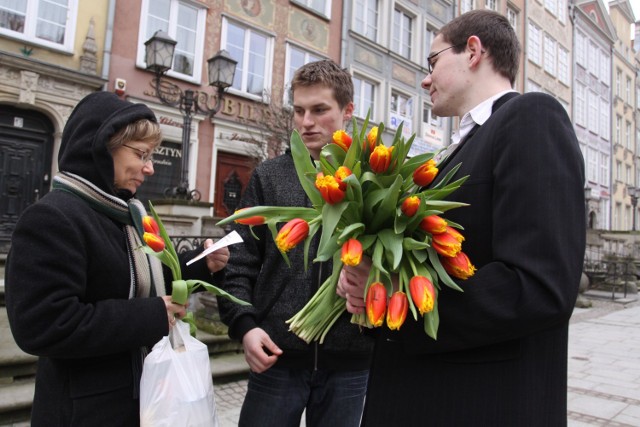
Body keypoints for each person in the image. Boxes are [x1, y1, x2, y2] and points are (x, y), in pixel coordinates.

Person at [338, 10, 586, 426]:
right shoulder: (454, 149)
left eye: (432, 62)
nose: (425, 79)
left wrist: (395, 290)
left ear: (473, 51)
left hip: (477, 403)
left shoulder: (531, 117)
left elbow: (540, 285)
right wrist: (370, 295)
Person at [4, 91, 229, 427]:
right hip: (84, 411)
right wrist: (152, 315)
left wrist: (202, 263)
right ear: (100, 148)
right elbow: (43, 325)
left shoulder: (129, 215)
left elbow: (142, 280)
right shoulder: (52, 218)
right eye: (141, 154)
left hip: (143, 397)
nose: (150, 168)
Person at [217, 59, 374, 427]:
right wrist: (244, 326)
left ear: (347, 111)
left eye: (320, 110)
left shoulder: (372, 178)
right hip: (276, 356)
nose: (306, 122)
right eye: (299, 111)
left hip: (351, 362)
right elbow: (239, 262)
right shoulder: (268, 177)